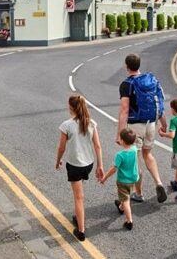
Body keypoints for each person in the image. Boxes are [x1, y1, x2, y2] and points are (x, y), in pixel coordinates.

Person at [117, 53, 168, 203]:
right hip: (151, 123)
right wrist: (164, 123)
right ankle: (158, 182)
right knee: (148, 155)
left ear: (126, 66)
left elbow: (125, 110)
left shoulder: (126, 84)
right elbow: (159, 102)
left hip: (135, 126)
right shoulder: (151, 80)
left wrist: (120, 133)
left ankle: (138, 194)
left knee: (135, 159)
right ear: (139, 65)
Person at [55, 95, 103, 242]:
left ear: (71, 108)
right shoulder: (91, 123)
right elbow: (98, 146)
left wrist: (58, 161)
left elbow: (62, 148)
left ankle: (81, 230)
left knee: (79, 198)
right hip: (88, 164)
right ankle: (78, 215)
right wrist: (100, 166)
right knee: (80, 193)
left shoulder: (67, 125)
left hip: (74, 165)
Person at [100, 128, 139, 230]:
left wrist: (105, 177)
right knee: (126, 195)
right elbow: (133, 143)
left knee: (126, 200)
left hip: (123, 180)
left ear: (121, 140)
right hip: (133, 178)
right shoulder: (135, 150)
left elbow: (114, 169)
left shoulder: (120, 155)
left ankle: (129, 221)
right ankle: (121, 207)